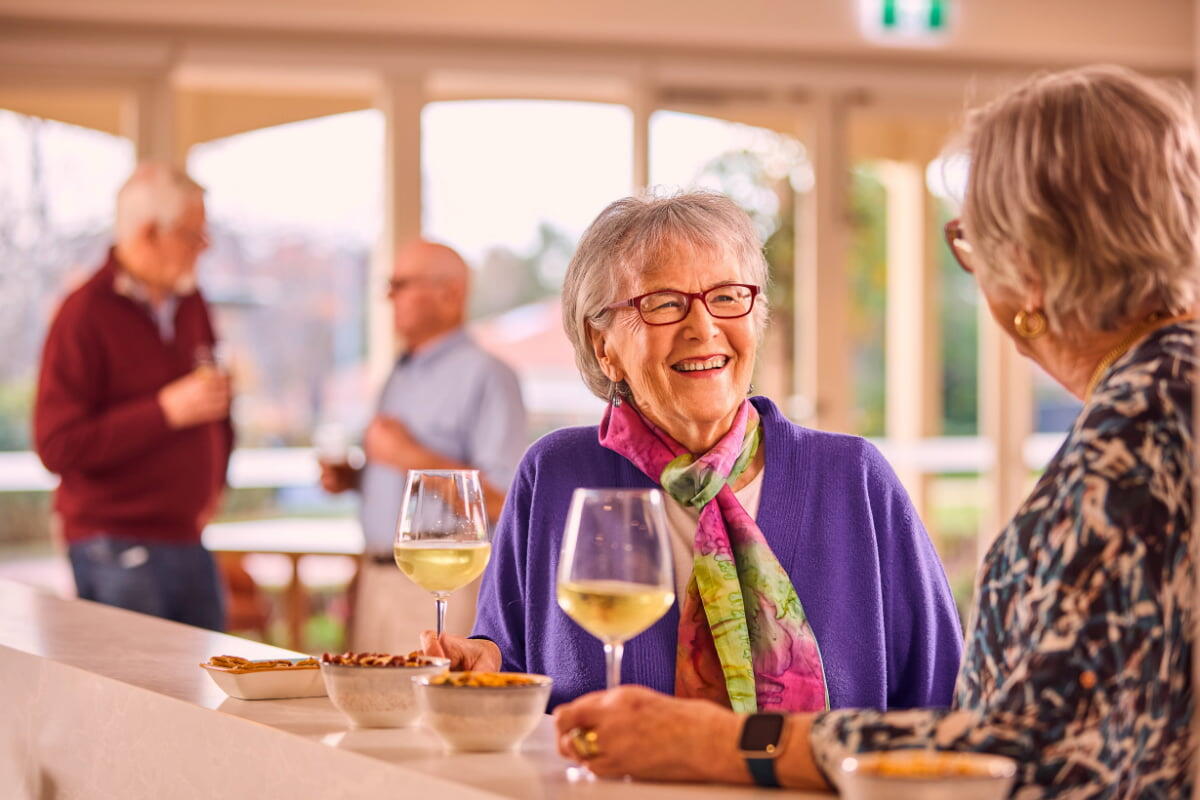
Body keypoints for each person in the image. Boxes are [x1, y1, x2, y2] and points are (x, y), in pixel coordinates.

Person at [553, 65, 1200, 797]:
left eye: (971, 241)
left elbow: (1036, 752)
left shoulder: (1141, 437)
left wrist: (725, 741)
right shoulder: (1164, 405)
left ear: (1029, 268)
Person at [424, 191, 963, 716]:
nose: (703, 328)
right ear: (603, 346)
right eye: (663, 303)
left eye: (728, 296)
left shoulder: (854, 479)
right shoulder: (558, 477)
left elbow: (944, 700)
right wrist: (481, 661)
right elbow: (507, 664)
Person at [34, 162, 232, 631]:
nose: (203, 248)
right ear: (148, 234)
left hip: (188, 535)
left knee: (208, 697)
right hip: (114, 545)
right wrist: (164, 411)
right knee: (140, 701)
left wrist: (216, 481)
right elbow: (58, 446)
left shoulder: (192, 304)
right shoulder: (83, 315)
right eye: (191, 235)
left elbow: (216, 411)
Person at [320, 239, 527, 652]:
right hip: (376, 580)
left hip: (440, 588)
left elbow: (504, 503)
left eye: (400, 284)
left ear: (449, 293)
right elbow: (399, 485)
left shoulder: (488, 376)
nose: (388, 296)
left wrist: (407, 457)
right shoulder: (398, 374)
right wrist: (359, 478)